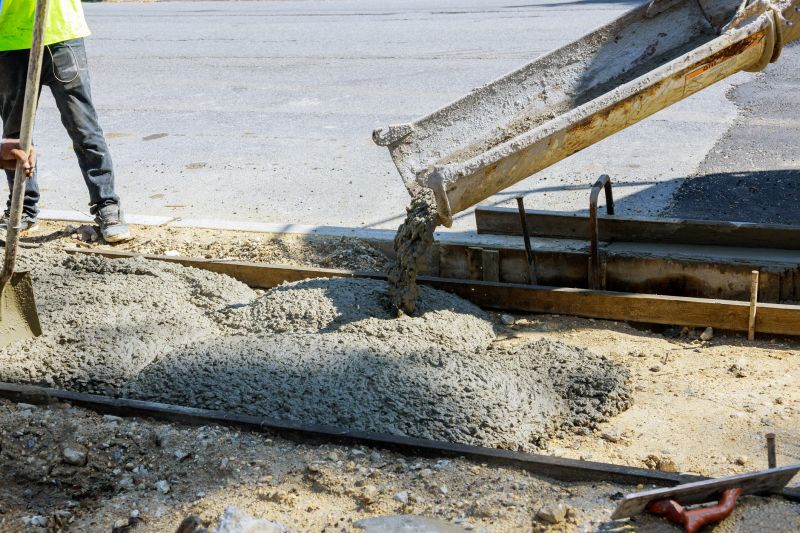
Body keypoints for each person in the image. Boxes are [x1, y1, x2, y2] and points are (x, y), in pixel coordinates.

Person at [0, 0, 131, 242]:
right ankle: (22, 208)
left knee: (83, 127)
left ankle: (107, 206)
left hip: (61, 34)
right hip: (10, 38)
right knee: (16, 137)